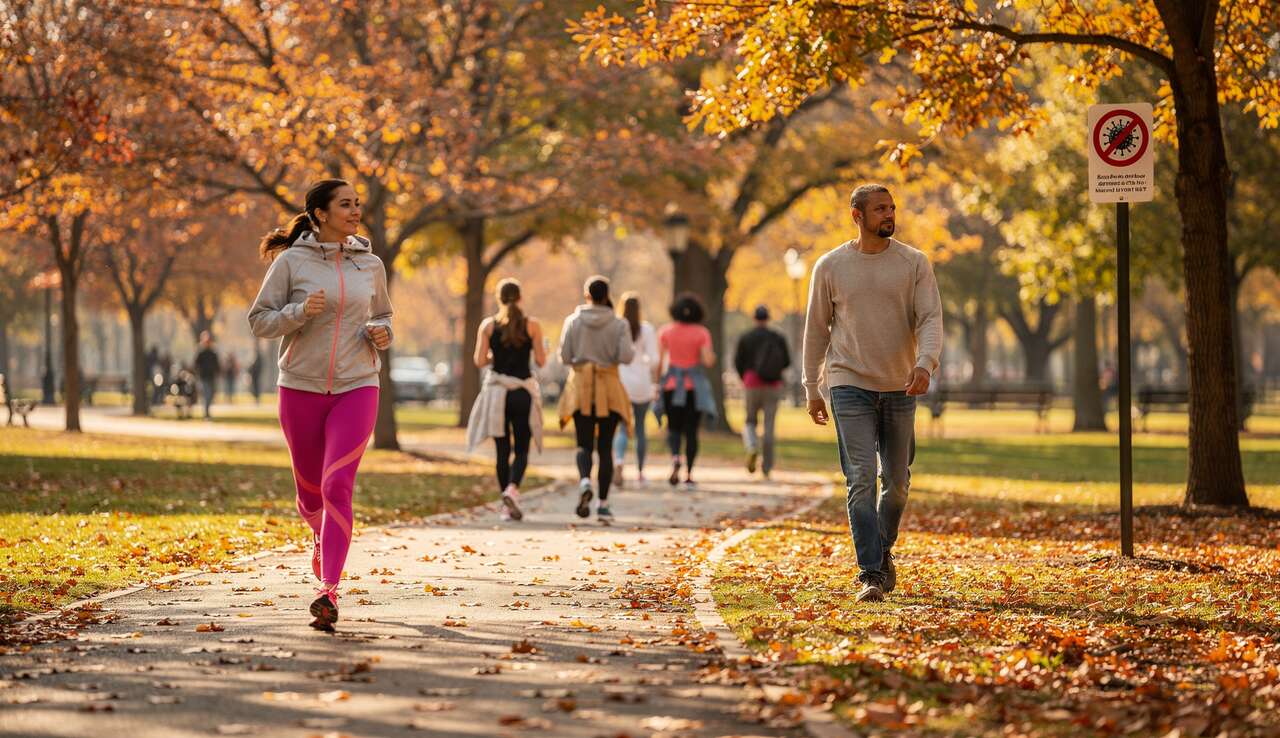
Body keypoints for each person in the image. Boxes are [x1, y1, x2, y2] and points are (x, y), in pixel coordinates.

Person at [248, 178, 393, 631]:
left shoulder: (370, 264)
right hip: (300, 388)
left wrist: (383, 333)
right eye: (345, 205)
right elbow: (259, 321)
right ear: (320, 214)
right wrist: (297, 313)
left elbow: (383, 315)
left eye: (357, 204)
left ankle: (328, 590)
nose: (355, 211)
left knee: (337, 488)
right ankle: (318, 531)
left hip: (358, 386)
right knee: (311, 495)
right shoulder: (292, 262)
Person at [802, 183, 943, 603]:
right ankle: (871, 573)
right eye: (880, 208)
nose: (889, 214)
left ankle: (880, 549)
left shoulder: (914, 263)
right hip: (849, 384)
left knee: (896, 483)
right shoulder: (831, 266)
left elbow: (930, 318)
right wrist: (812, 387)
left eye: (892, 208)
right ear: (857, 216)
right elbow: (816, 330)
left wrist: (925, 363)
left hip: (900, 384)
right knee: (860, 478)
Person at [466, 278, 546, 521]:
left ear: (499, 299)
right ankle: (513, 488)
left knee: (503, 450)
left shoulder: (488, 326)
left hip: (498, 394)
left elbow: (479, 361)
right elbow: (541, 361)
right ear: (520, 298)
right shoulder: (532, 325)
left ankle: (504, 505)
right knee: (522, 449)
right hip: (522, 393)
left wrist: (495, 356)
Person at [557, 276, 634, 523]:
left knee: (584, 444)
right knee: (605, 448)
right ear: (606, 294)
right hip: (609, 386)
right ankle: (603, 504)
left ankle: (584, 481)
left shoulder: (573, 321)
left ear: (587, 294)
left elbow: (565, 356)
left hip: (581, 387)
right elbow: (626, 356)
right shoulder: (620, 324)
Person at [655, 293, 717, 489]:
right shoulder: (702, 333)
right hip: (694, 388)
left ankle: (675, 458)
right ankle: (689, 473)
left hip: (672, 385)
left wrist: (658, 383)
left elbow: (659, 362)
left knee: (673, 427)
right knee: (691, 431)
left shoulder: (666, 331)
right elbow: (708, 360)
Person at [733, 305, 791, 479]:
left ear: (754, 318)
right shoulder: (778, 337)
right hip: (773, 385)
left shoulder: (746, 337)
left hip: (752, 383)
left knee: (750, 420)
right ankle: (766, 468)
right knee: (769, 427)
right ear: (768, 318)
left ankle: (751, 446)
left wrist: (745, 377)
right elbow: (786, 361)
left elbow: (738, 361)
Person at [612, 292, 659, 487]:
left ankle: (619, 461)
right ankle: (640, 472)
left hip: (622, 383)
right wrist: (645, 365)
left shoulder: (616, 327)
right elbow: (655, 359)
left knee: (622, 427)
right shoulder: (646, 329)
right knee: (640, 427)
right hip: (642, 384)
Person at [194, 332, 220, 420]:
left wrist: (218, 372)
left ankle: (207, 412)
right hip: (203, 377)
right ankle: (206, 414)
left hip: (211, 377)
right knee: (206, 395)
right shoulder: (201, 353)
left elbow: (217, 365)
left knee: (211, 395)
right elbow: (196, 364)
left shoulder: (213, 353)